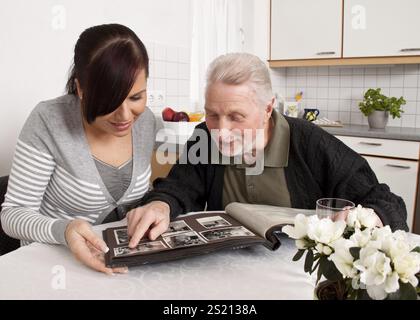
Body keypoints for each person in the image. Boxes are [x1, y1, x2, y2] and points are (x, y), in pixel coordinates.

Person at [127, 53, 408, 247]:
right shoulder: (204, 137)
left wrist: (371, 216)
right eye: (212, 114)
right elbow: (178, 187)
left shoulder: (309, 142)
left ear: (267, 108)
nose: (221, 132)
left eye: (236, 117)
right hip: (228, 269)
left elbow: (387, 203)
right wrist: (160, 205)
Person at [0, 24, 169, 275]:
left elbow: (166, 185)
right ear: (81, 89)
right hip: (55, 266)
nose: (125, 116)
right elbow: (13, 216)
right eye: (110, 101)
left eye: (136, 98)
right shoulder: (49, 120)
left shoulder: (147, 122)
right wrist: (64, 230)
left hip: (122, 264)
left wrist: (157, 206)